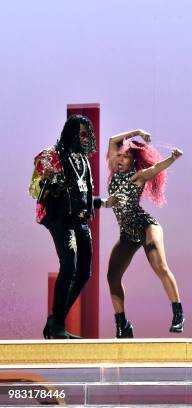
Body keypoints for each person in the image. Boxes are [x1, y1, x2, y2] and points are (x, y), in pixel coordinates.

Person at [97, 129, 184, 338]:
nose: (120, 159)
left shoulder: (137, 176)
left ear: (133, 161)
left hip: (146, 226)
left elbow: (156, 168)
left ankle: (178, 313)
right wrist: (135, 132)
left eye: (126, 156)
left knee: (159, 265)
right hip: (127, 233)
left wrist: (172, 158)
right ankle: (122, 324)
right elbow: (111, 140)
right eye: (119, 155)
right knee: (112, 276)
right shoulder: (113, 170)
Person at [29, 115, 97, 339]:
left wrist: (100, 203)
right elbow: (34, 189)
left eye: (88, 134)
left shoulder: (83, 160)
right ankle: (57, 324)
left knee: (84, 273)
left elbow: (83, 191)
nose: (86, 138)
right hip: (60, 218)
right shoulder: (51, 156)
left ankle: (55, 321)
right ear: (71, 133)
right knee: (68, 265)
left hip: (80, 219)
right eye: (82, 133)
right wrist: (46, 179)